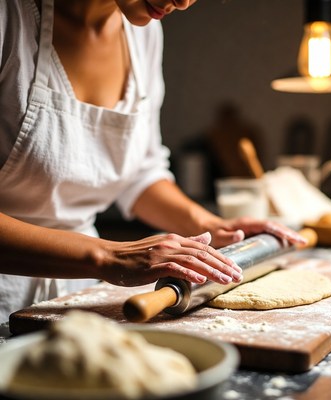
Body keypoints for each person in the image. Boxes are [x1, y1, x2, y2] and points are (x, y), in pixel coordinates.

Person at [0, 0, 306, 323]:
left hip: (76, 301)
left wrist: (212, 227)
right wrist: (108, 256)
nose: (183, 2)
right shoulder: (10, 19)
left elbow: (139, 173)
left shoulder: (143, 34)